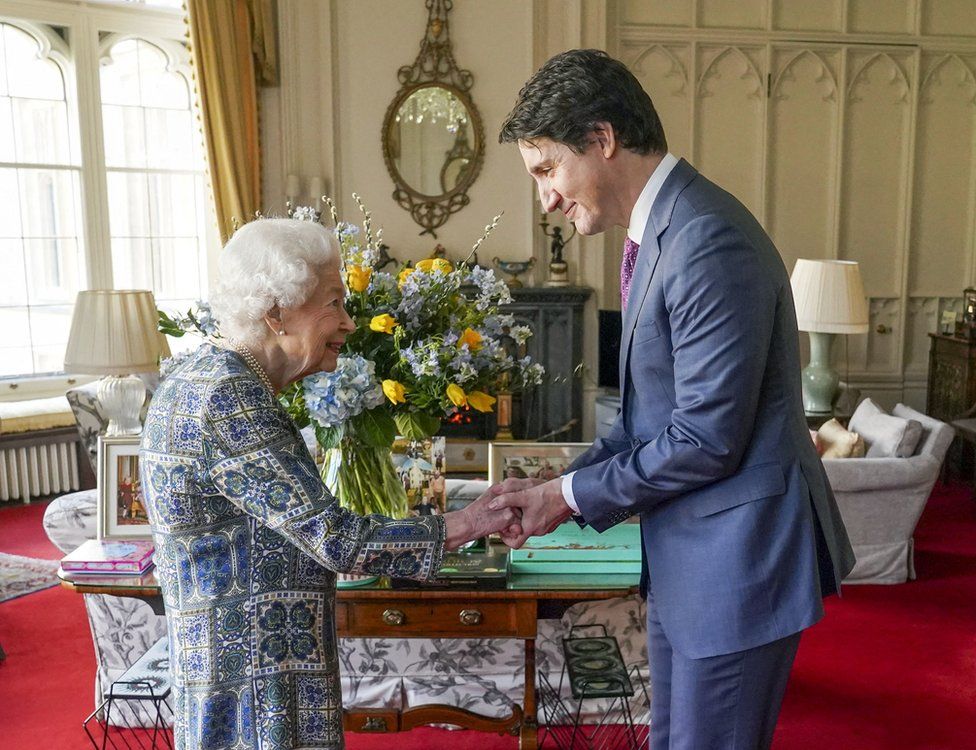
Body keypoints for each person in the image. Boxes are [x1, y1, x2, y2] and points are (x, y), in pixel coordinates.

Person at [491, 49, 855, 750]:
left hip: (735, 566)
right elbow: (645, 421)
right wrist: (554, 483)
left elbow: (705, 439)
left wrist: (567, 497)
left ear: (602, 140)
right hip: (693, 559)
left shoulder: (706, 238)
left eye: (546, 170)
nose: (546, 199)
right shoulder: (662, 232)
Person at [140, 218, 517, 750]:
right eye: (334, 303)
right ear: (275, 313)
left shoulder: (198, 375)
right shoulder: (229, 399)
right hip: (257, 684)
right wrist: (465, 523)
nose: (348, 322)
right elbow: (335, 539)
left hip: (232, 669)